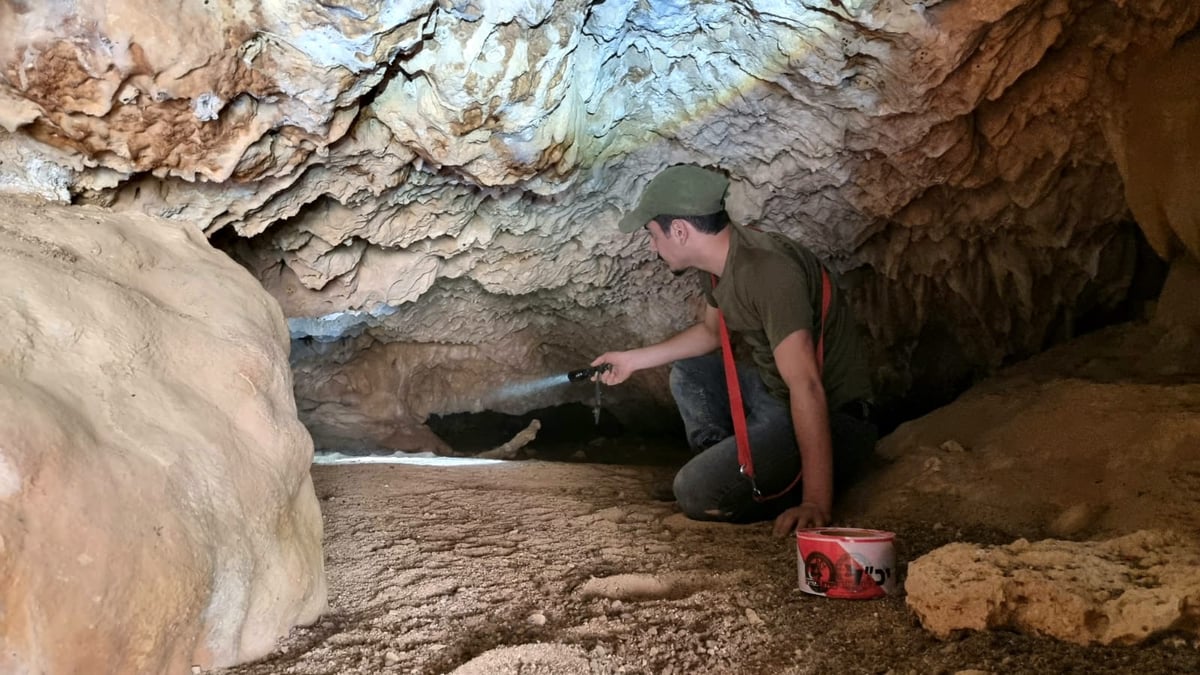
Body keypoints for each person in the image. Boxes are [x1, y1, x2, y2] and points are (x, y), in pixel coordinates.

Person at [592, 164, 876, 537]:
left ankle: (742, 484)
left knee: (694, 493)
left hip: (836, 418)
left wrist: (816, 503)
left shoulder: (769, 272)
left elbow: (806, 385)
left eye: (652, 234)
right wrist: (631, 360)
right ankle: (726, 465)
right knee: (691, 371)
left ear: (679, 231)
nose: (651, 246)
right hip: (779, 398)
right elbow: (710, 334)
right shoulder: (719, 265)